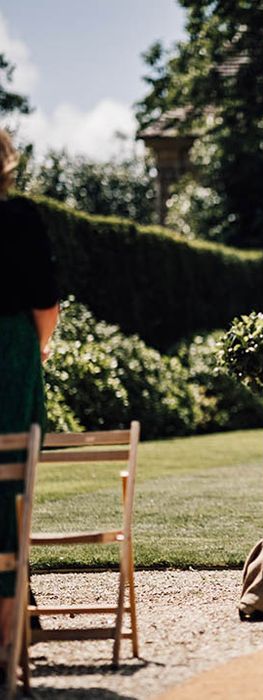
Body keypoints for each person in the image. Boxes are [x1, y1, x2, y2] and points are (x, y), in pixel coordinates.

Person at [0, 129, 59, 654]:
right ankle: (10, 631)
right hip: (10, 353)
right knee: (11, 485)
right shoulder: (17, 219)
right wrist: (32, 351)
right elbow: (45, 303)